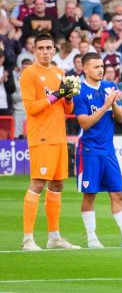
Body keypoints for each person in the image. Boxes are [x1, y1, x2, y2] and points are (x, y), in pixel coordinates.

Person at [20, 33, 79, 251]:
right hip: (41, 136)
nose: (45, 52)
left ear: (54, 50)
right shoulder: (29, 74)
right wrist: (56, 94)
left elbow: (68, 110)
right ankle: (28, 239)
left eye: (49, 48)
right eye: (41, 48)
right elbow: (31, 109)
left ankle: (54, 237)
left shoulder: (58, 72)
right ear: (34, 50)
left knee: (57, 184)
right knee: (37, 183)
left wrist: (69, 96)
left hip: (58, 136)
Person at [73, 53, 122, 249]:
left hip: (108, 150)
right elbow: (84, 122)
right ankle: (92, 238)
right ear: (85, 69)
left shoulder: (109, 87)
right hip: (89, 150)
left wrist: (115, 104)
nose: (100, 69)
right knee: (89, 195)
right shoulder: (80, 92)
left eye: (102, 66)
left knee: (118, 193)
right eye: (96, 67)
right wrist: (105, 105)